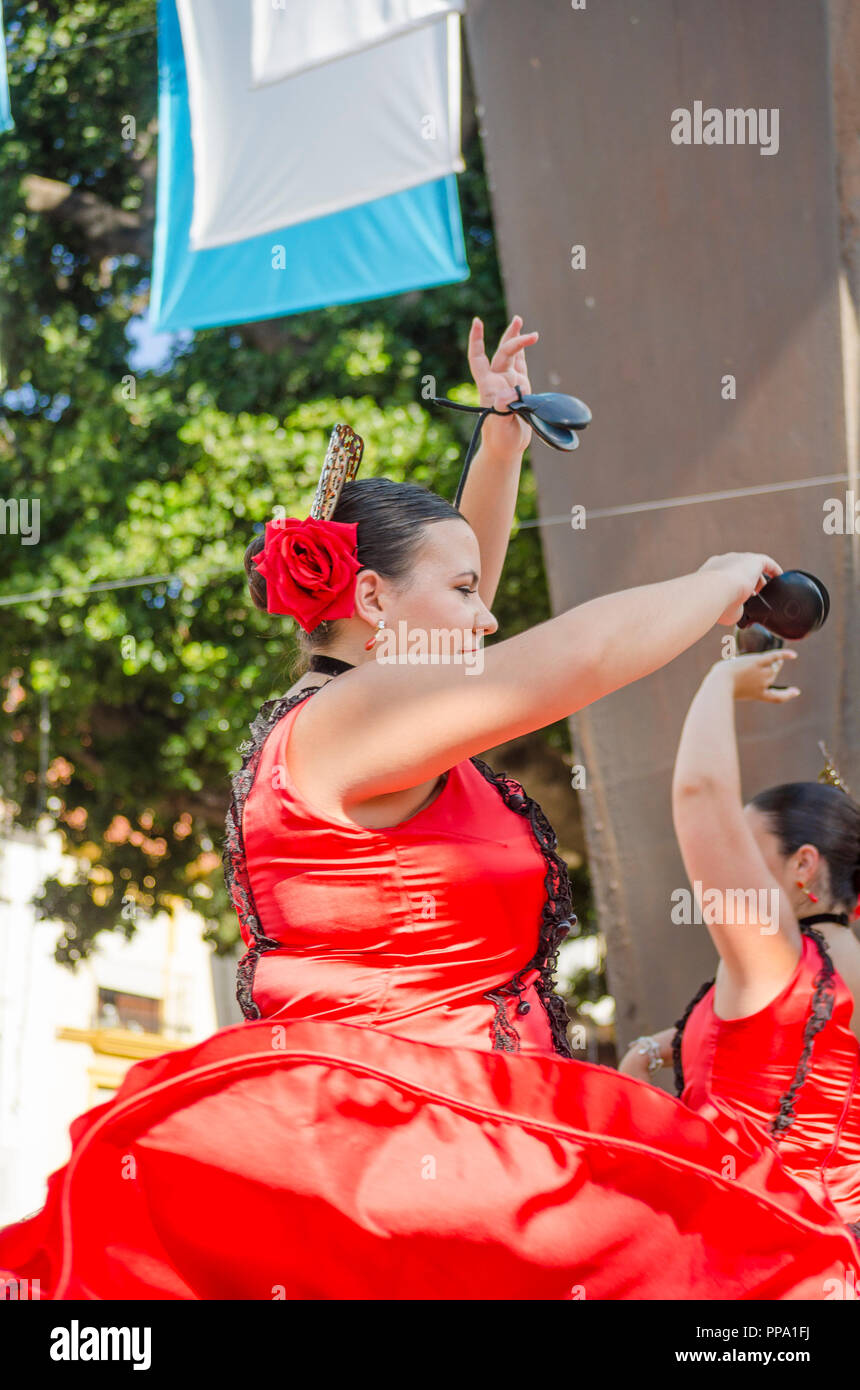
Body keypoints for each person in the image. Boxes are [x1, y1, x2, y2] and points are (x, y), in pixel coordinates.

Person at [1, 319, 857, 1301]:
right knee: (767, 1267)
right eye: (459, 590)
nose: (487, 612)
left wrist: (496, 449)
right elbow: (561, 662)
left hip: (445, 1138)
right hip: (425, 1141)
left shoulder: (372, 718)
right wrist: (711, 587)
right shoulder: (354, 719)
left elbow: (465, 619)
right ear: (370, 597)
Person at [619, 650, 860, 1238]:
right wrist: (658, 1049)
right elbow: (778, 1061)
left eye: (747, 850)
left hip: (760, 1260)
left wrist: (722, 678)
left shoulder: (778, 958)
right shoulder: (820, 969)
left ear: (804, 864)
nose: (733, 867)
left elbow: (701, 792)